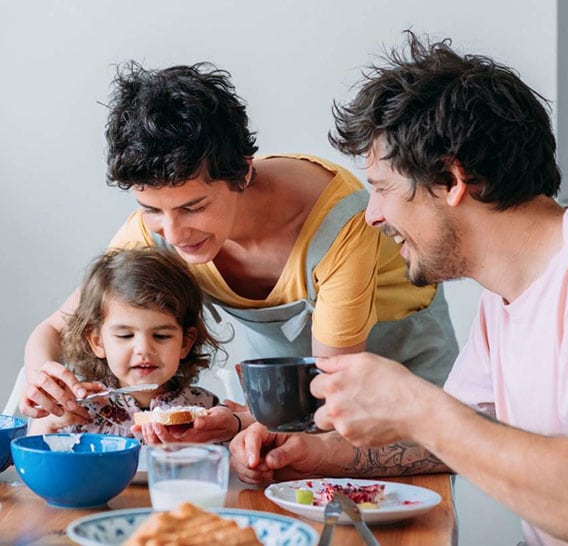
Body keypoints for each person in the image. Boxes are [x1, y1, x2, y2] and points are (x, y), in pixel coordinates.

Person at [230, 33, 568, 545]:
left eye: (381, 188)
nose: (372, 215)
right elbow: (452, 438)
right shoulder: (505, 292)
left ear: (450, 179)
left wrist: (417, 405)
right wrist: (311, 451)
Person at [20, 60, 459, 441]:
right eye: (152, 209)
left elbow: (334, 393)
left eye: (194, 207)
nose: (172, 233)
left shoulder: (342, 225)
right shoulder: (158, 226)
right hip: (291, 391)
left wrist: (237, 423)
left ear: (243, 174)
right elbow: (55, 329)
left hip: (394, 369)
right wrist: (45, 380)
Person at [28, 247, 244, 444]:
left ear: (185, 343)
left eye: (160, 336)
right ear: (97, 342)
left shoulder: (205, 409)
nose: (143, 349)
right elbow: (35, 457)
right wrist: (48, 423)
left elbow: (224, 468)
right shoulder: (80, 407)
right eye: (125, 335)